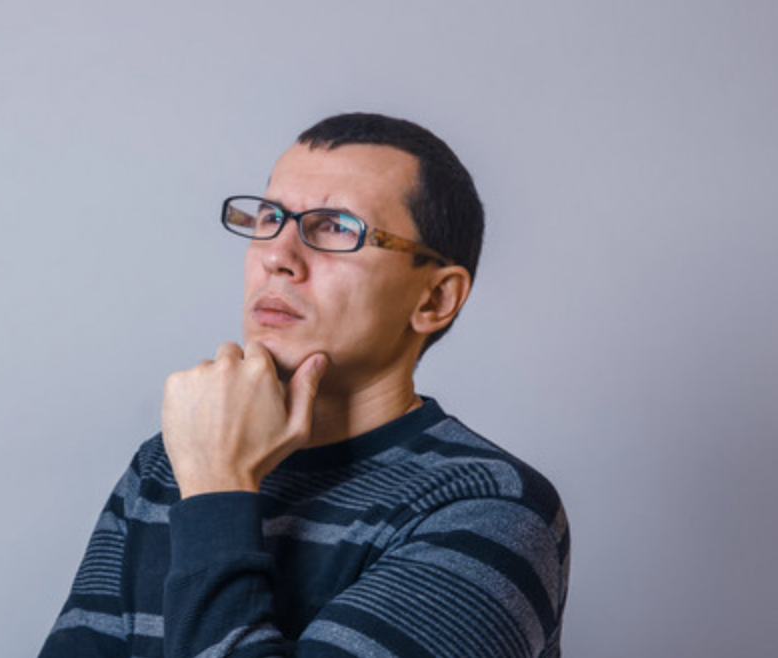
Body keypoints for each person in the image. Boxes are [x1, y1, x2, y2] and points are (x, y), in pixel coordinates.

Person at [39, 112, 570, 658]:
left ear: (434, 299)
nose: (277, 256)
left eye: (336, 226)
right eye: (270, 217)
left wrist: (219, 491)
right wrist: (208, 476)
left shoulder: (492, 509)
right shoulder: (169, 464)